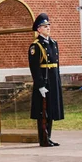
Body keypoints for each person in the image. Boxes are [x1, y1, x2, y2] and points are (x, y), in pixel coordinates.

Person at [28, 13, 64, 147]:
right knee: (43, 112)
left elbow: (56, 64)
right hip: (44, 81)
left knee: (51, 110)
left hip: (53, 80)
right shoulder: (36, 46)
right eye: (44, 26)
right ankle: (43, 138)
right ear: (38, 29)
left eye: (48, 25)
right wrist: (40, 85)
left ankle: (48, 136)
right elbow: (35, 68)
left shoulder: (53, 43)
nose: (48, 28)